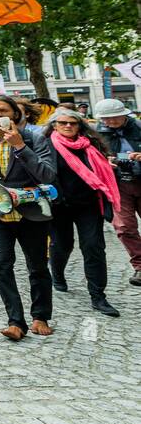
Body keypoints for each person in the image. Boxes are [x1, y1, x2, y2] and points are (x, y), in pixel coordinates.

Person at [0, 94, 58, 342]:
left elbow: (47, 175)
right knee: (1, 265)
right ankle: (15, 321)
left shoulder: (34, 138)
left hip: (32, 211)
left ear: (15, 114)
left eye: (2, 109)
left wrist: (20, 146)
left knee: (37, 266)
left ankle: (41, 316)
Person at [46, 108, 120, 317]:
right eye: (63, 123)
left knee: (94, 247)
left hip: (89, 204)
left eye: (73, 123)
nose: (68, 126)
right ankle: (57, 274)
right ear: (54, 126)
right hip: (59, 205)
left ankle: (98, 296)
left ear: (80, 125)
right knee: (62, 245)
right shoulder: (46, 145)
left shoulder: (91, 145)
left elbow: (106, 167)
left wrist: (111, 166)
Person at [94, 99, 141, 286]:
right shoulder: (96, 133)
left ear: (125, 114)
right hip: (117, 183)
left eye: (115, 118)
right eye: (106, 119)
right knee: (124, 227)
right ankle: (140, 265)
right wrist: (105, 162)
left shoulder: (138, 127)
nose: (111, 122)